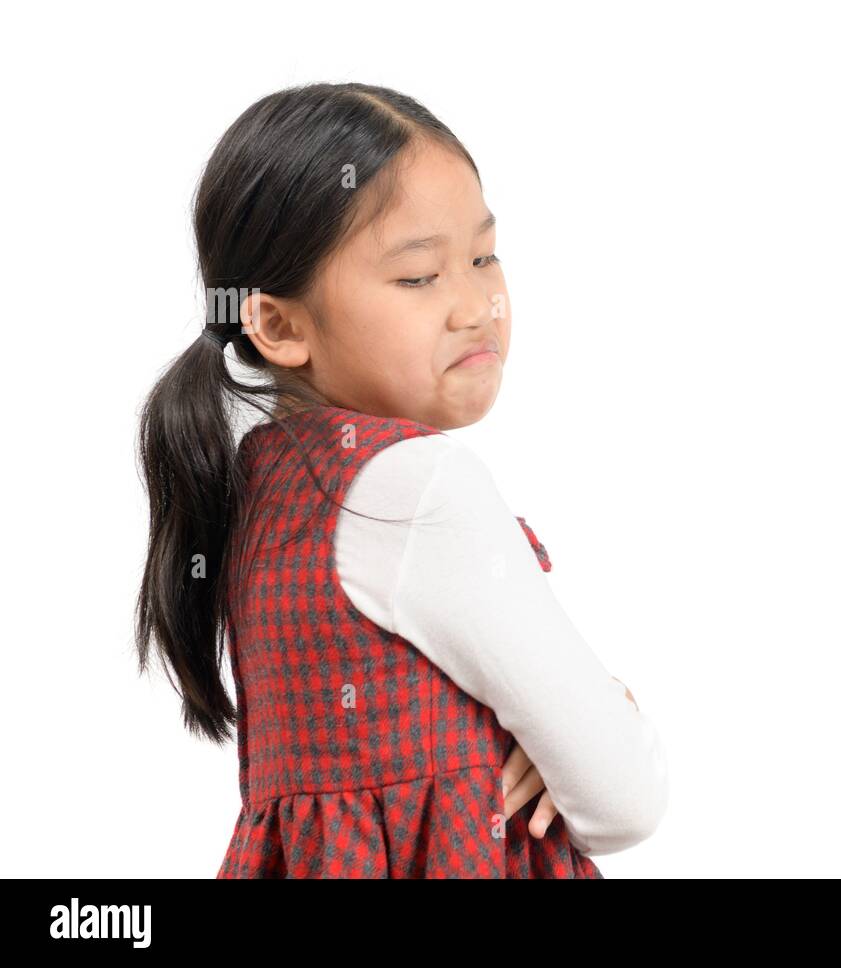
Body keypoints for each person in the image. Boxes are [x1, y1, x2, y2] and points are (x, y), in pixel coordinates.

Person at [134, 82, 669, 878]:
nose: (476, 305)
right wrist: (604, 717)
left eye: (484, 257)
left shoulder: (263, 493)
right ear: (278, 325)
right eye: (420, 277)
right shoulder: (420, 488)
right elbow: (622, 801)